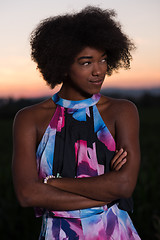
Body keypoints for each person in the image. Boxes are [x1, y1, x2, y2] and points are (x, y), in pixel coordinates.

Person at [12, 6, 141, 240]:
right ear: (62, 64)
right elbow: (27, 194)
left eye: (102, 60)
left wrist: (52, 183)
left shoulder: (121, 111)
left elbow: (123, 186)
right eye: (86, 62)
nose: (98, 71)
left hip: (115, 233)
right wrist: (104, 196)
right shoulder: (29, 119)